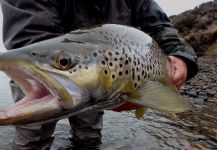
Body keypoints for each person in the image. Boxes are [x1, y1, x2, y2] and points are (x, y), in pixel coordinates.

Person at [1, 0, 198, 149]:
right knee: (31, 139)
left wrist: (181, 56)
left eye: (64, 62)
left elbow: (159, 26)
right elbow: (30, 41)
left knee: (88, 137)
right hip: (41, 74)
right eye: (64, 62)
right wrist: (62, 63)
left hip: (98, 77)